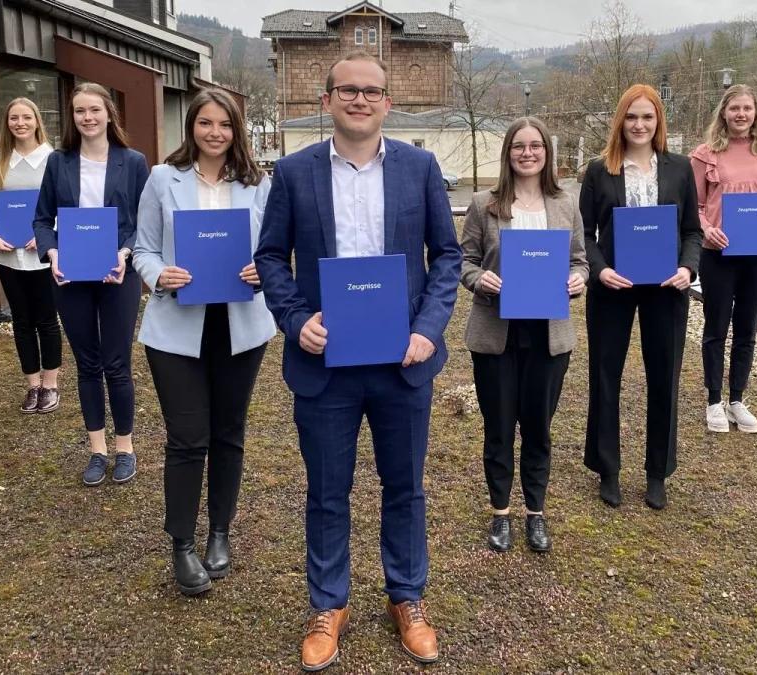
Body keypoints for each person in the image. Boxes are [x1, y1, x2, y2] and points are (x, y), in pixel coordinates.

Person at [255, 51, 461, 672]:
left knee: (405, 488)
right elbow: (270, 259)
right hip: (326, 364)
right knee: (326, 492)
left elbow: (446, 258)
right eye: (347, 90)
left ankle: (407, 597)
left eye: (372, 91)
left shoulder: (420, 168)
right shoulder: (293, 174)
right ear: (327, 101)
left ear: (387, 103)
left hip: (403, 360)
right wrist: (294, 322)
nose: (360, 100)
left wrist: (427, 330)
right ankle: (328, 604)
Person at [132, 89, 276, 597]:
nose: (215, 133)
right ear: (191, 126)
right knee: (187, 437)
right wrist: (158, 273)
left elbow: (275, 252)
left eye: (225, 125)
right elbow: (143, 248)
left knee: (229, 433)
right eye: (205, 123)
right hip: (176, 329)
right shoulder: (160, 179)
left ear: (238, 131)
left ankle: (220, 532)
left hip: (241, 327)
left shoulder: (259, 184)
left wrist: (265, 272)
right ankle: (182, 544)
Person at [459, 116, 588, 554]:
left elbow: (580, 260)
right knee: (498, 429)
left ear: (547, 153)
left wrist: (578, 279)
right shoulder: (484, 203)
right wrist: (480, 280)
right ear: (508, 153)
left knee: (538, 428)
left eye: (536, 146)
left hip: (549, 337)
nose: (528, 153)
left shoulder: (566, 204)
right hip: (498, 334)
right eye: (519, 146)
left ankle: (535, 512)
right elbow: (464, 261)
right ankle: (500, 513)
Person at [579, 84, 703, 510]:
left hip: (667, 289)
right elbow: (585, 235)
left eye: (647, 117)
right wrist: (600, 270)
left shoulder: (680, 169)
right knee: (605, 375)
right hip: (614, 286)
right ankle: (607, 468)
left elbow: (692, 231)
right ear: (621, 121)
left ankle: (657, 472)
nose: (639, 125)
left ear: (658, 122)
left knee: (664, 377)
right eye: (632, 117)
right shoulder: (599, 170)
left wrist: (688, 268)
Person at [33, 82, 149, 487]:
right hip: (70, 275)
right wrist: (52, 254)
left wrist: (125, 253)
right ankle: (97, 450)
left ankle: (125, 448)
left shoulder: (133, 162)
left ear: (108, 114)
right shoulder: (59, 162)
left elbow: (143, 222)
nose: (87, 117)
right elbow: (42, 219)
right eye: (80, 111)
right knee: (87, 364)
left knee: (117, 363)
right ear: (73, 117)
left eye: (95, 110)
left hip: (118, 273)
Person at [689, 84, 757, 434]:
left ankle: (737, 399)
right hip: (718, 255)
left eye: (747, 108)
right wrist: (706, 229)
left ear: (755, 113)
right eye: (735, 109)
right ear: (724, 113)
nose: (741, 114)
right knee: (716, 328)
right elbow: (694, 207)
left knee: (747, 328)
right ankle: (713, 400)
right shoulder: (704, 155)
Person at [0, 97, 61, 414]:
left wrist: (44, 233)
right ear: (7, 123)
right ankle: (33, 387)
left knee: (46, 320)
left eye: (27, 117)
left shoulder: (54, 159)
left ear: (37, 121)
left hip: (41, 253)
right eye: (14, 118)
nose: (20, 123)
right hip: (7, 255)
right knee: (22, 321)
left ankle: (51, 385)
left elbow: (62, 207)